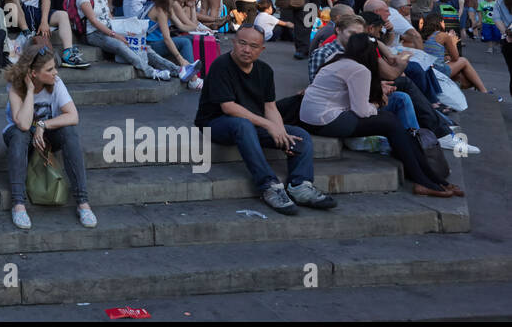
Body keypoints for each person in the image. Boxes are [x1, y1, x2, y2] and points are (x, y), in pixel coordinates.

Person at [194, 25, 337, 215]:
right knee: (242, 125)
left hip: (252, 124)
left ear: (262, 50)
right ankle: (269, 185)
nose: (247, 50)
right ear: (234, 42)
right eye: (242, 43)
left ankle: (300, 185)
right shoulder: (221, 65)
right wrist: (269, 125)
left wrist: (280, 132)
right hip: (217, 123)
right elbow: (228, 107)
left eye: (253, 46)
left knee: (298, 134)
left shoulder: (264, 70)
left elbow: (270, 107)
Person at [300, 34, 459, 196]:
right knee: (390, 123)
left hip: (313, 117)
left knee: (393, 124)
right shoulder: (359, 70)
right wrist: (379, 104)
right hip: (325, 121)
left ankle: (429, 178)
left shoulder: (338, 58)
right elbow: (361, 111)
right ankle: (425, 180)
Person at [3, 41, 97, 230]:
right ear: (34, 73)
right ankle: (19, 204)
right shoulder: (16, 86)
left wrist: (43, 125)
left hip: (47, 134)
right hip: (21, 137)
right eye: (50, 69)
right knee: (20, 134)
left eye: (55, 68)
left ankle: (83, 203)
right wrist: (29, 91)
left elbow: (73, 116)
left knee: (69, 131)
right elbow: (21, 122)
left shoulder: (56, 83)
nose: (56, 73)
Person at [74, 0, 194, 85]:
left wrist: (124, 31)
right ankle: (150, 72)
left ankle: (178, 70)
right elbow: (94, 21)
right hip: (95, 34)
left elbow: (110, 17)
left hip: (110, 30)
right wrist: (115, 35)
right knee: (121, 46)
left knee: (144, 48)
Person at [419, 12, 491, 96]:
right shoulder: (443, 36)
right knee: (463, 61)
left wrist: (447, 56)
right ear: (440, 23)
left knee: (456, 69)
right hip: (438, 70)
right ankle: (483, 91)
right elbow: (456, 57)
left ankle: (469, 88)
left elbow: (434, 54)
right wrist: (453, 42)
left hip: (428, 70)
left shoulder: (422, 36)